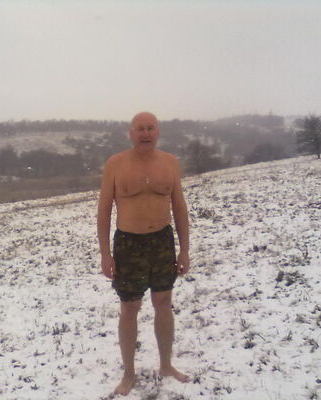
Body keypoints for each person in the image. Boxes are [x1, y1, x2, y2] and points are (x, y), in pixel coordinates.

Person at [97, 111, 190, 396]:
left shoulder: (170, 162)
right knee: (130, 307)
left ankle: (166, 365)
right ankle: (128, 373)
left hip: (162, 241)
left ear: (158, 132)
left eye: (150, 128)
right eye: (140, 128)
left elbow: (179, 208)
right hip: (128, 244)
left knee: (164, 302)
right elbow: (103, 212)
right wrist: (105, 254)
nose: (145, 133)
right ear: (131, 133)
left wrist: (184, 250)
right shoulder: (115, 164)